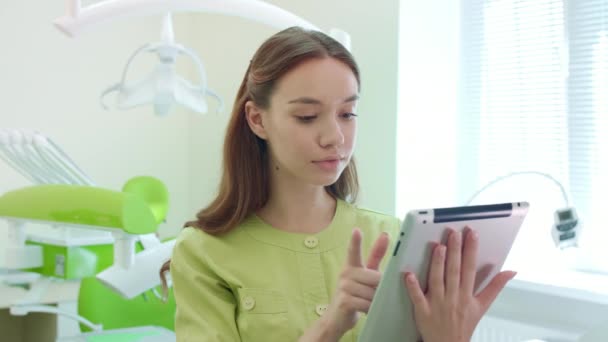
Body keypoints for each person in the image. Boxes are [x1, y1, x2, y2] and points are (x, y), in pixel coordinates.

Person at [160, 26, 516, 342]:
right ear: (257, 119)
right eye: (307, 117)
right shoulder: (203, 253)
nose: (335, 137)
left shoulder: (393, 238)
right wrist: (329, 326)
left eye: (347, 114)